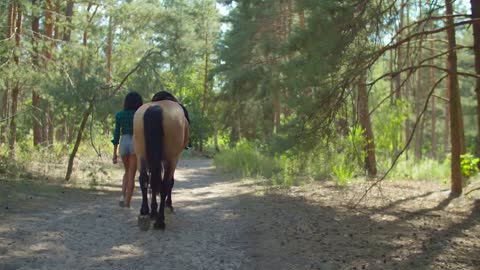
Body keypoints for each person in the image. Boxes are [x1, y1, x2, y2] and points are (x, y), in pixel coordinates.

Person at [112, 91, 143, 208]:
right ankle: (127, 203)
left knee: (126, 172)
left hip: (123, 142)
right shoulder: (139, 115)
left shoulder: (119, 115)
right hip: (135, 142)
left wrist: (114, 153)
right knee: (131, 174)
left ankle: (122, 196)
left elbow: (116, 134)